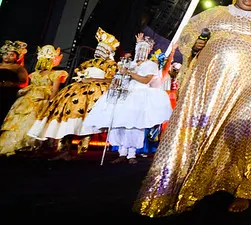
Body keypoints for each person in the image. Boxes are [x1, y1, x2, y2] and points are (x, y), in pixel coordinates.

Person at [134, 0, 251, 216]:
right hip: (210, 87)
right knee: (202, 131)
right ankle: (189, 186)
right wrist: (197, 43)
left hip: (249, 93)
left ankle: (242, 191)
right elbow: (188, 33)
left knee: (243, 138)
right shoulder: (217, 13)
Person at [28, 27, 119, 159]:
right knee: (65, 112)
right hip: (79, 89)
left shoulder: (111, 64)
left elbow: (112, 79)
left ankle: (82, 149)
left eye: (102, 49)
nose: (99, 52)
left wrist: (93, 79)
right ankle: (64, 148)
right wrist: (82, 78)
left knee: (87, 118)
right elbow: (80, 72)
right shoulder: (89, 62)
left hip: (96, 91)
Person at [81, 34, 172, 164]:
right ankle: (122, 152)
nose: (141, 52)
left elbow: (146, 79)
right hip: (125, 94)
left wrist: (129, 73)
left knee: (134, 124)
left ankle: (131, 154)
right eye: (139, 48)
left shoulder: (151, 65)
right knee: (120, 123)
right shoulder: (129, 64)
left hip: (139, 95)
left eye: (144, 49)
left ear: (148, 51)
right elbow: (118, 78)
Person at [0, 45, 67, 155]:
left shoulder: (46, 74)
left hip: (36, 99)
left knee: (27, 118)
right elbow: (50, 90)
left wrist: (50, 101)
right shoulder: (44, 75)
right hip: (35, 99)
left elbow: (52, 90)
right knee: (27, 118)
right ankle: (20, 144)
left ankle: (21, 144)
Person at [0, 40, 28, 123]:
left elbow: (24, 82)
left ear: (17, 57)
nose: (7, 56)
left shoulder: (18, 68)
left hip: (5, 94)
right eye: (6, 54)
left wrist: (11, 84)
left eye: (11, 55)